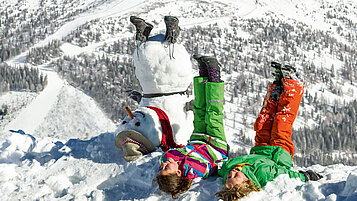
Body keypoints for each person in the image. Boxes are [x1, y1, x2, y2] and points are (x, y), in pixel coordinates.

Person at [216, 62, 323, 201]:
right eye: (236, 177)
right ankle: (293, 85)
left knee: (263, 120)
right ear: (248, 182)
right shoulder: (263, 174)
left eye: (229, 177)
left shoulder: (227, 168)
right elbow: (286, 175)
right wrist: (306, 176)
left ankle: (277, 86)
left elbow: (217, 169)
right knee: (281, 120)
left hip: (260, 147)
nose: (232, 173)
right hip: (278, 152)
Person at [153, 55, 229, 199]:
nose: (164, 165)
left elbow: (172, 154)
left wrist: (170, 160)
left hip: (198, 139)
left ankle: (203, 74)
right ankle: (214, 75)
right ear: (179, 173)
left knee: (199, 110)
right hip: (216, 145)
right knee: (213, 113)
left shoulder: (168, 158)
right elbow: (213, 168)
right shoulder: (195, 171)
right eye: (166, 168)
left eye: (161, 168)